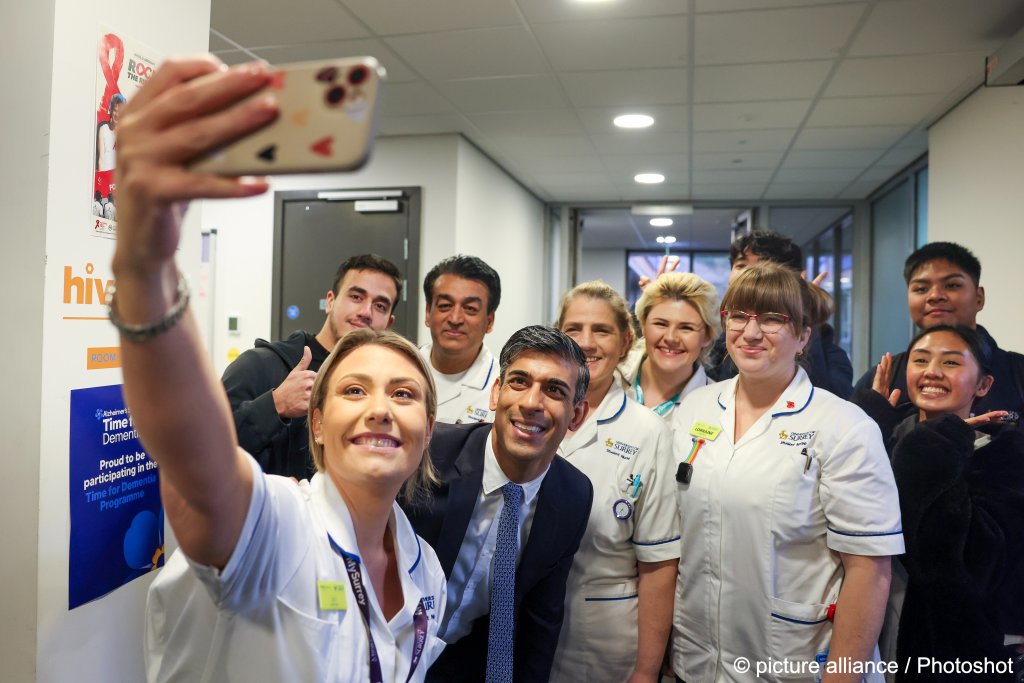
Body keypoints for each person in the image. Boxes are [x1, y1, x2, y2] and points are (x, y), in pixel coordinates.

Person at [110, 56, 447, 682]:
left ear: (427, 431)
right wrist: (146, 264)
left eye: (404, 393)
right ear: (316, 424)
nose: (380, 407)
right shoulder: (275, 528)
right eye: (353, 389)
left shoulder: (426, 573)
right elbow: (197, 456)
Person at [669, 262, 904, 683]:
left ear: (803, 336)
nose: (751, 332)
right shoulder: (695, 409)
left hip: (797, 661)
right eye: (739, 315)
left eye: (773, 319)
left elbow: (870, 571)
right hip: (699, 660)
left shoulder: (844, 427)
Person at [402, 325, 595, 683]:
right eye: (519, 382)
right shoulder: (429, 453)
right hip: (385, 649)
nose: (531, 403)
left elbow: (542, 620)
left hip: (467, 666)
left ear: (577, 415)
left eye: (554, 390)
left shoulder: (573, 495)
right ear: (496, 393)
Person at [853, 325, 1024, 681]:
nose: (932, 371)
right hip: (864, 632)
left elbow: (963, 569)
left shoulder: (1003, 455)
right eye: (920, 359)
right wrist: (865, 427)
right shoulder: (885, 436)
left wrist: (935, 446)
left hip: (948, 655)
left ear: (983, 386)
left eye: (950, 362)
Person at [551, 282, 679, 683]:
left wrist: (646, 670)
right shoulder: (531, 416)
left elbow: (659, 566)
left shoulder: (649, 433)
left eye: (601, 331)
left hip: (605, 643)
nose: (586, 343)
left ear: (626, 341)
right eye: (574, 329)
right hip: (522, 631)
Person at [221, 252, 403, 479]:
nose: (366, 312)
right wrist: (275, 405)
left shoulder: (384, 393)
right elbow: (202, 446)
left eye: (380, 306)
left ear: (389, 323)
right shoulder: (261, 365)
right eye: (356, 297)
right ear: (330, 302)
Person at [854, 241, 1024, 425]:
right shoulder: (882, 379)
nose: (935, 296)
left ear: (979, 297)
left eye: (952, 285)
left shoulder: (1018, 372)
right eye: (921, 289)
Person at [708, 229, 854, 398]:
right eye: (741, 266)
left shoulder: (824, 348)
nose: (750, 276)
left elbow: (829, 406)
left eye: (771, 319)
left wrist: (805, 311)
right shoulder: (720, 341)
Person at [619, 271, 718, 423]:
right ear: (644, 325)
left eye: (686, 328)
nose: (671, 338)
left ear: (707, 337)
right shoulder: (611, 377)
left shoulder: (718, 405)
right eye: (661, 324)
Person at [420, 255, 501, 424]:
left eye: (470, 309)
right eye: (444, 306)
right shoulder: (403, 366)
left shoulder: (502, 385)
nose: (455, 319)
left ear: (490, 321)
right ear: (428, 313)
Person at [96, 92, 124, 172]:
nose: (117, 114)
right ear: (111, 111)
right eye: (115, 110)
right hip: (106, 176)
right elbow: (101, 159)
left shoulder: (124, 133)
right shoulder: (103, 129)